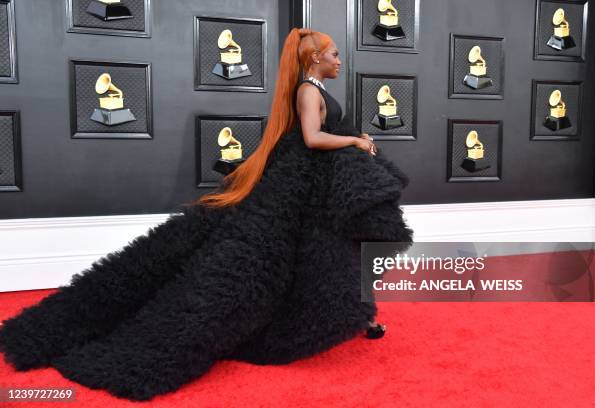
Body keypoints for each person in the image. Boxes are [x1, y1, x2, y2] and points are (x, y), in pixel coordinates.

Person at [0, 28, 413, 401]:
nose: (340, 60)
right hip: (297, 187)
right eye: (334, 54)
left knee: (326, 253)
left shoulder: (316, 88)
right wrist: (354, 143)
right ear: (314, 58)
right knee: (290, 260)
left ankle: (358, 314)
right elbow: (311, 137)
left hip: (309, 183)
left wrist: (354, 141)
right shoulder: (309, 91)